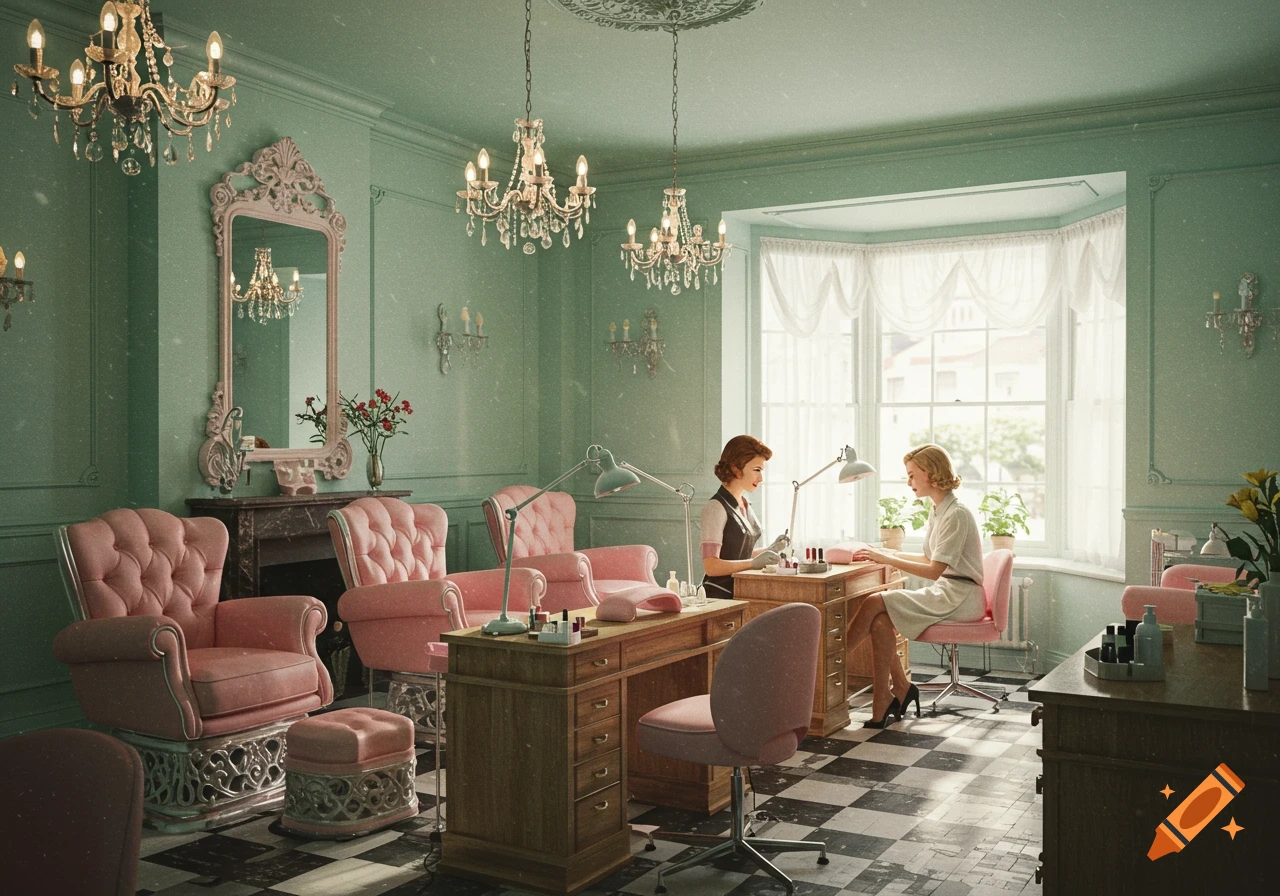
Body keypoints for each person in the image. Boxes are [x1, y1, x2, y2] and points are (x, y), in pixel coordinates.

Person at [847, 443, 986, 728]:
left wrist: (887, 558)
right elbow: (928, 558)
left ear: (931, 473)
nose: (908, 482)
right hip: (949, 591)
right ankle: (893, 692)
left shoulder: (957, 514)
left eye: (912, 475)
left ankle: (831, 664)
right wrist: (888, 553)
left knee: (874, 601)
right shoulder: (939, 510)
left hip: (960, 596)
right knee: (880, 622)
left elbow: (934, 570)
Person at [700, 435, 789, 600]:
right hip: (720, 596)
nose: (761, 478)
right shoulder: (715, 507)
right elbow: (711, 566)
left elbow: (738, 555)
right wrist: (753, 564)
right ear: (735, 469)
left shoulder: (745, 504)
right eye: (757, 470)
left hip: (743, 590)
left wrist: (771, 549)